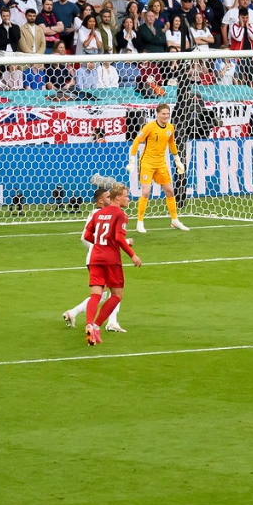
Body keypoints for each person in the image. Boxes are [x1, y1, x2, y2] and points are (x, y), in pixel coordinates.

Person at [80, 185, 143, 345]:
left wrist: (101, 243)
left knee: (95, 294)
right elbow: (119, 238)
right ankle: (96, 326)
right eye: (126, 196)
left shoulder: (99, 213)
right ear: (117, 198)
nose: (128, 199)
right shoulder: (121, 215)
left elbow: (87, 235)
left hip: (95, 258)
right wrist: (133, 255)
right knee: (117, 295)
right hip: (111, 260)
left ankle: (89, 324)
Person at [62, 186, 126, 333]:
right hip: (101, 257)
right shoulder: (103, 214)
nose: (110, 198)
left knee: (102, 294)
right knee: (113, 291)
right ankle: (109, 322)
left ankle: (73, 313)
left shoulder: (99, 213)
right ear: (100, 200)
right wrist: (99, 248)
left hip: (97, 256)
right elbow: (86, 236)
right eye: (107, 196)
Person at [128, 103, 190, 233]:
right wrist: (132, 160)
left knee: (170, 191)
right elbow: (136, 141)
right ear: (157, 114)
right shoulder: (149, 127)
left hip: (161, 163)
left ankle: (174, 220)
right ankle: (140, 222)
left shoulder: (170, 128)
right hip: (147, 163)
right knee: (145, 192)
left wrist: (177, 160)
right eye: (163, 114)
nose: (166, 116)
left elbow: (171, 143)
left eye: (167, 114)